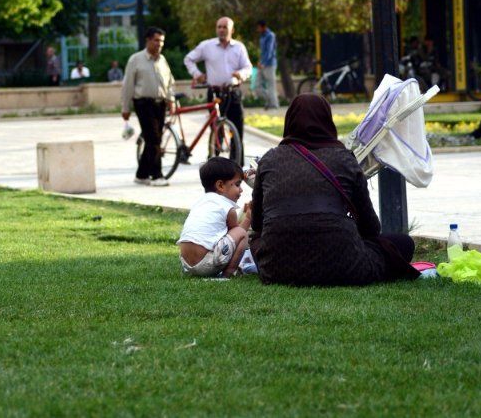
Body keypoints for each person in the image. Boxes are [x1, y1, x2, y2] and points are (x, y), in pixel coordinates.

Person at [250, 94, 420, 286]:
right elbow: (371, 227)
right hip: (345, 267)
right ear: (327, 120)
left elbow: (257, 225)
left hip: (277, 270)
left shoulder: (269, 160)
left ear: (289, 121)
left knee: (256, 239)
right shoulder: (344, 159)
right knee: (403, 244)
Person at [184, 16, 252, 162]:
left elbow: (248, 67)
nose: (221, 30)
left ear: (232, 30)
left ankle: (237, 165)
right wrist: (197, 74)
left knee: (237, 130)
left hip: (232, 91)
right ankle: (215, 163)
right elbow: (188, 59)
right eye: (219, 27)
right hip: (214, 92)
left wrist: (241, 74)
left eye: (225, 27)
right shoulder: (206, 46)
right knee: (217, 130)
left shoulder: (239, 47)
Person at [178, 157, 252, 278]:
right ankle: (228, 274)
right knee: (241, 233)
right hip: (205, 264)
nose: (241, 189)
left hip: (187, 263)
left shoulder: (201, 202)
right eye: (238, 184)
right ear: (220, 185)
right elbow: (238, 235)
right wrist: (248, 218)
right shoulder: (227, 207)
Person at [121, 27, 175, 187]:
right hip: (143, 103)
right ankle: (157, 175)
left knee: (154, 139)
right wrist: (125, 107)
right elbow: (127, 85)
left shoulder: (162, 60)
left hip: (160, 104)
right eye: (156, 40)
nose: (159, 44)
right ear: (148, 40)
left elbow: (170, 83)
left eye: (162, 41)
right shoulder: (135, 60)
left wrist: (171, 100)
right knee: (153, 139)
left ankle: (142, 174)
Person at [255, 20, 280, 110]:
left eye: (259, 27)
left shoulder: (270, 35)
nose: (257, 29)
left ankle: (274, 105)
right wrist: (260, 61)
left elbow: (269, 51)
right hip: (262, 63)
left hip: (269, 64)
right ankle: (270, 101)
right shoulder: (262, 36)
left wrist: (263, 63)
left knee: (271, 85)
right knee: (257, 86)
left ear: (263, 27)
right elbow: (263, 52)